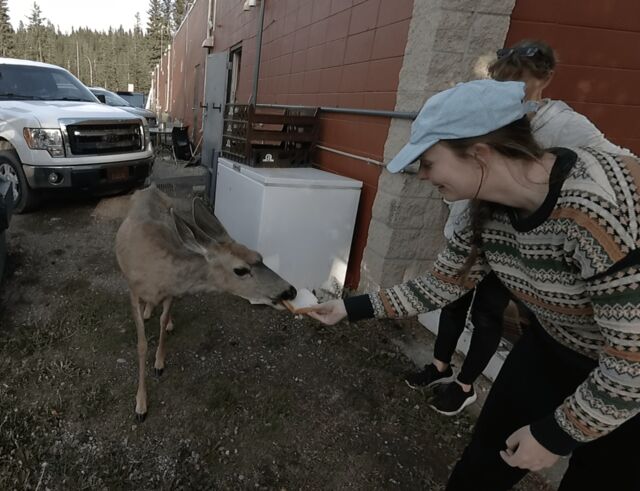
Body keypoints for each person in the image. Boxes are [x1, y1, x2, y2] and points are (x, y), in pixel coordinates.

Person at [306, 79, 640, 490]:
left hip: (630, 371)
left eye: (429, 162)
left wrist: (556, 434)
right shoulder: (485, 212)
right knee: (485, 460)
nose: (424, 176)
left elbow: (631, 363)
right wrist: (350, 308)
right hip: (555, 346)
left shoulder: (599, 207)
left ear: (478, 153)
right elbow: (442, 284)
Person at [405, 39, 635, 417]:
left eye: (520, 83)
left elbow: (623, 163)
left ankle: (464, 386)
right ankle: (439, 365)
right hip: (475, 232)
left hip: (517, 248)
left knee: (487, 315)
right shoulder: (488, 118)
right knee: (451, 301)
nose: (511, 92)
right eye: (502, 82)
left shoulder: (562, 125)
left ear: (544, 80)